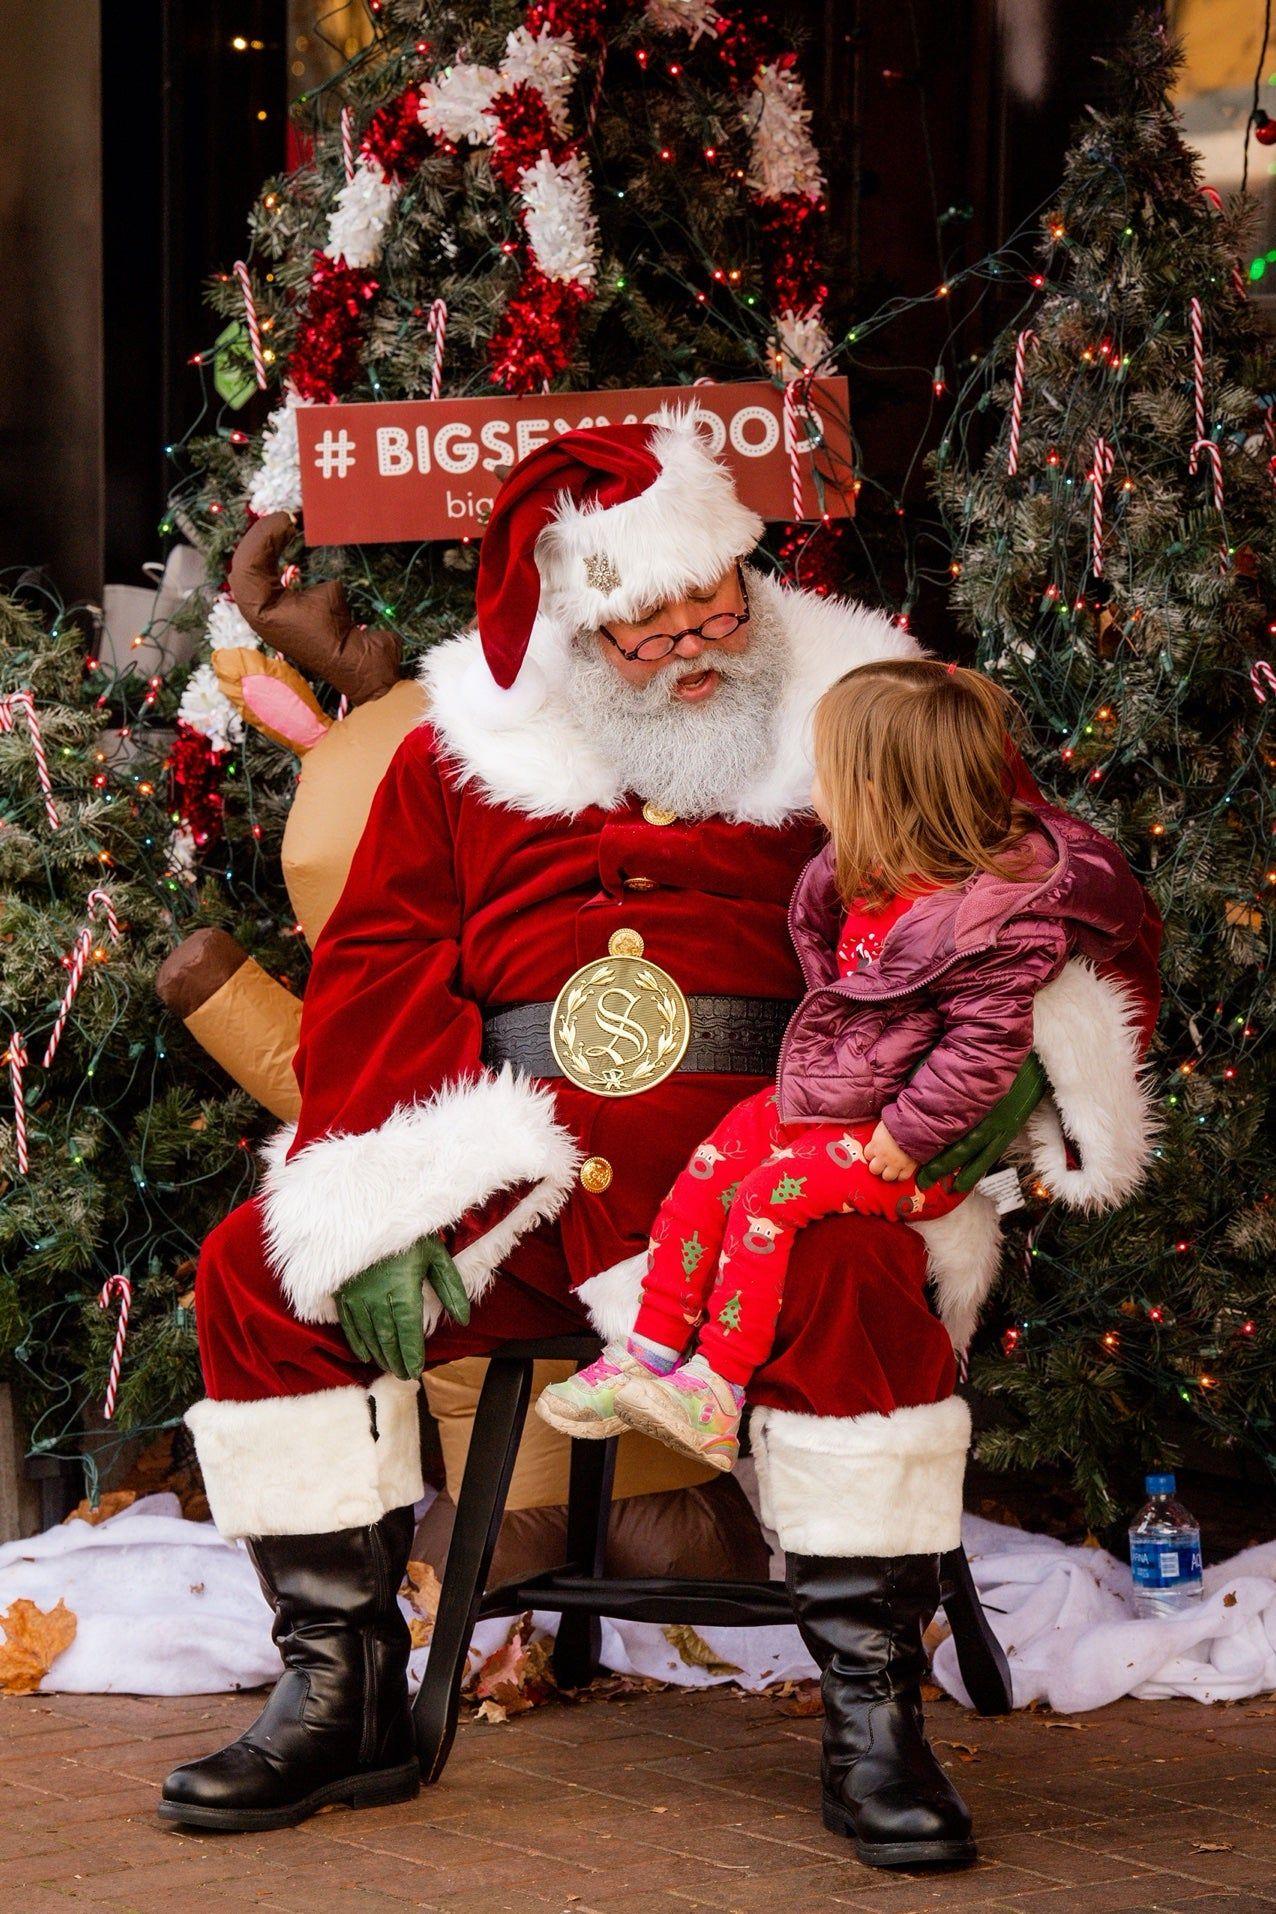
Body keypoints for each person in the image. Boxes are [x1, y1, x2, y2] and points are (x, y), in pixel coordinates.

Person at [160, 411, 1161, 1867]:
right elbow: (382, 961)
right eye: (647, 629)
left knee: (856, 1286)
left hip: (774, 1172)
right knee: (258, 1274)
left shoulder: (856, 703)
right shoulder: (461, 755)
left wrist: (1010, 1069)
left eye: (719, 603)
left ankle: (873, 1710)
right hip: (517, 1183)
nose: (699, 644)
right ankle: (343, 1683)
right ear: (571, 629)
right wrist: (372, 1182)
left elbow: (1061, 885)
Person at [538, 661, 1147, 1488]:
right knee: (716, 1161)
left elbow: (985, 1045)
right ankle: (647, 1351)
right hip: (844, 1106)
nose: (809, 787)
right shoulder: (873, 876)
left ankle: (715, 1386)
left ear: (873, 789)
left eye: (824, 770)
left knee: (765, 1201)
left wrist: (911, 1132)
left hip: (912, 1154)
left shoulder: (994, 918)